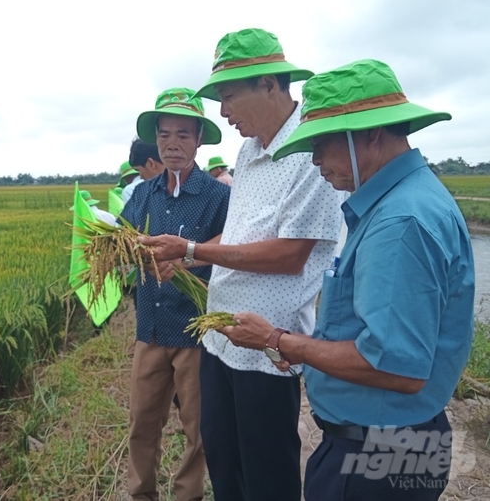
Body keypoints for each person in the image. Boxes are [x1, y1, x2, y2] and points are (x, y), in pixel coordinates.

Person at [218, 59, 475, 501]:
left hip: (378, 453)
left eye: (321, 143)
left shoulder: (401, 223)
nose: (315, 160)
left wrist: (279, 340)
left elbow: (394, 365)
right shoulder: (400, 200)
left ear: (370, 134)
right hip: (386, 441)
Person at [139, 28, 346, 500]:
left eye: (229, 97)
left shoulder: (308, 153)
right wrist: (184, 260)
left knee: (266, 471)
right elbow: (236, 238)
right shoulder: (248, 150)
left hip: (266, 348)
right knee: (225, 462)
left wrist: (191, 250)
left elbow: (290, 255)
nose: (224, 112)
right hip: (221, 339)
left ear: (270, 85)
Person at [122, 87, 230, 501]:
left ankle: (188, 495)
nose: (173, 144)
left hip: (194, 333)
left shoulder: (219, 196)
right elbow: (127, 238)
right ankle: (141, 494)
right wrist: (132, 251)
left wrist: (187, 259)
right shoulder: (144, 194)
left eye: (183, 134)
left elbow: (232, 244)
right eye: (165, 134)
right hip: (149, 328)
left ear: (199, 139)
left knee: (198, 429)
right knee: (141, 423)